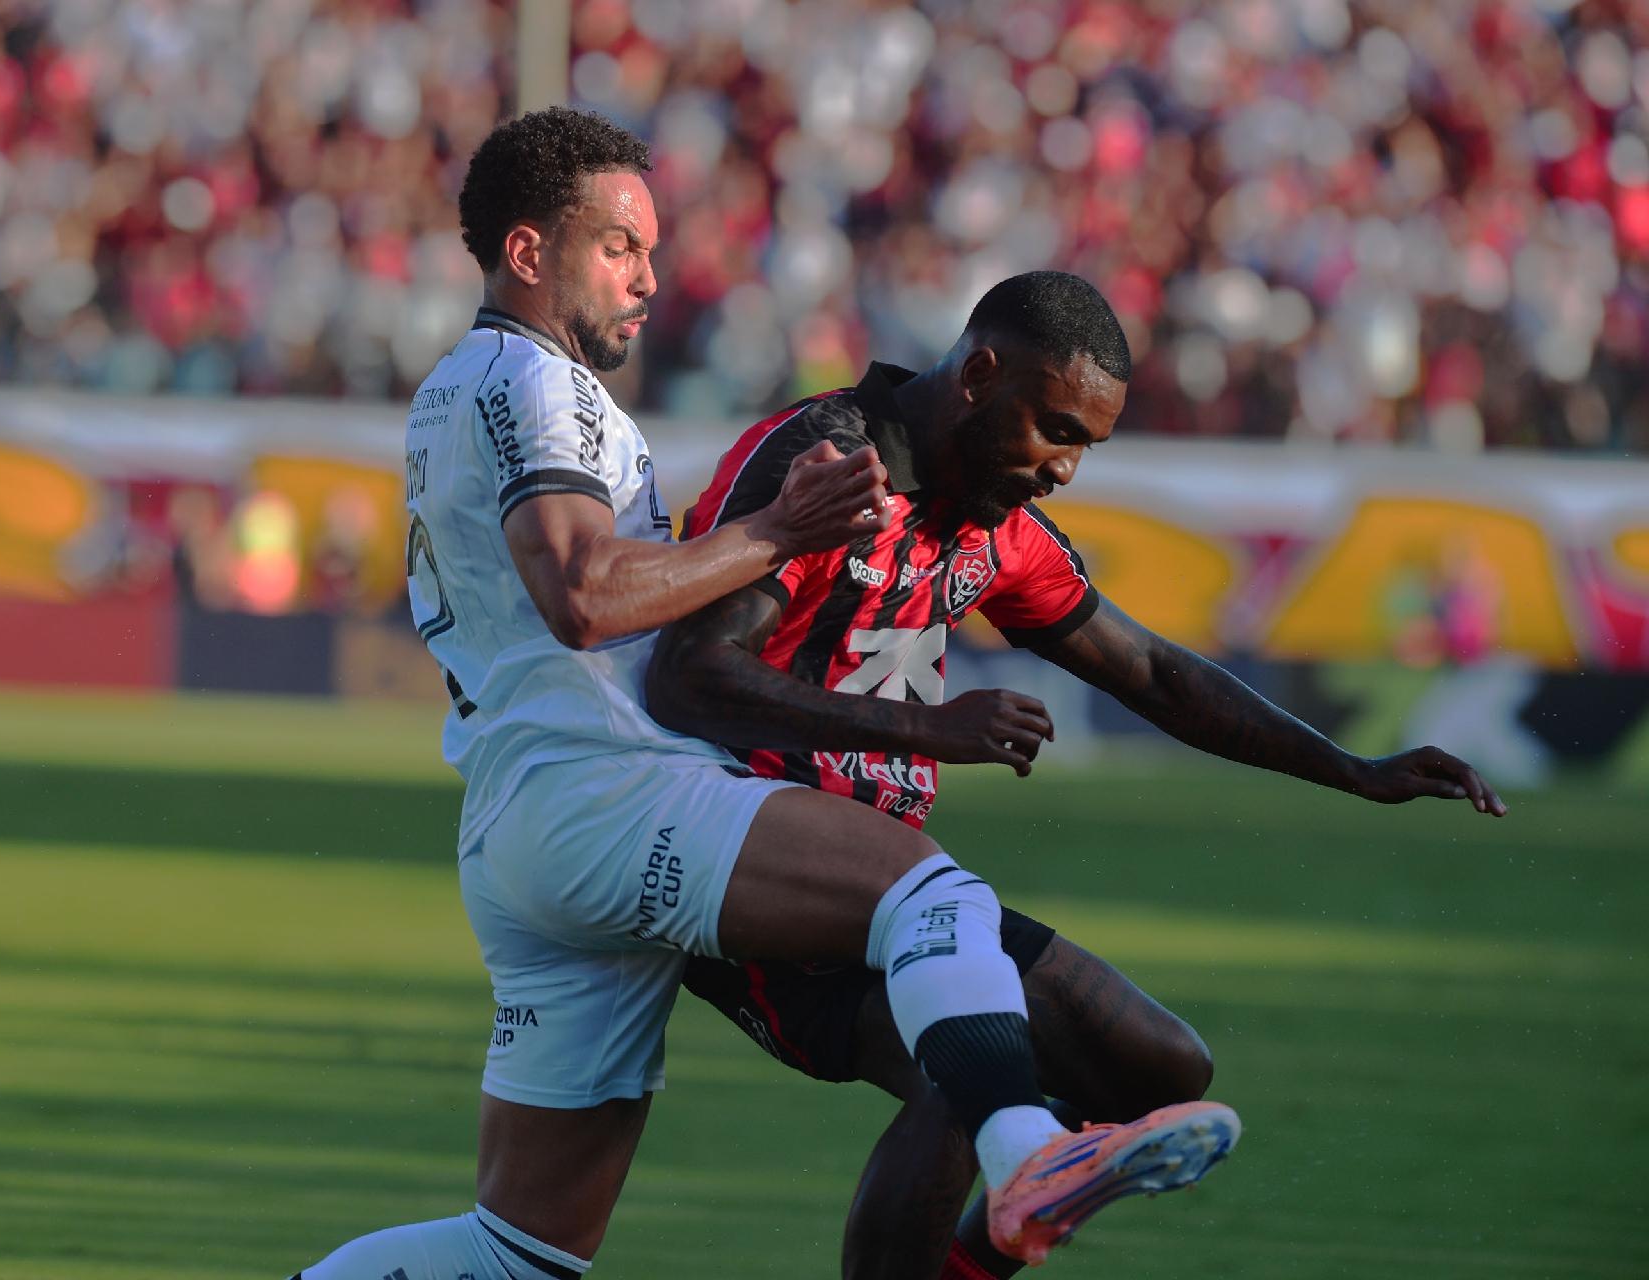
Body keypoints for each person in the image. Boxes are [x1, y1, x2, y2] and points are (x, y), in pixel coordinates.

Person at [292, 108, 1249, 1280]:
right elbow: (587, 594)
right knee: (926, 890)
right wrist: (776, 526)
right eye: (618, 248)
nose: (648, 279)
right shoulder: (534, 384)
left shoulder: (473, 387)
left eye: (649, 249)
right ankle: (1026, 1150)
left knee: (515, 1254)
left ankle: (1017, 1146)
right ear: (530, 253)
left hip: (523, 821)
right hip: (601, 792)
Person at [646, 269, 1509, 1278]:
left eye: (1083, 446)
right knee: (968, 1061)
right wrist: (926, 731)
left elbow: (1150, 669)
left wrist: (1351, 769)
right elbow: (689, 674)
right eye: (1055, 429)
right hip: (753, 863)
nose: (1064, 469)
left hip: (889, 885)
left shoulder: (994, 525)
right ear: (977, 374)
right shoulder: (826, 462)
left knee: (1160, 1069)